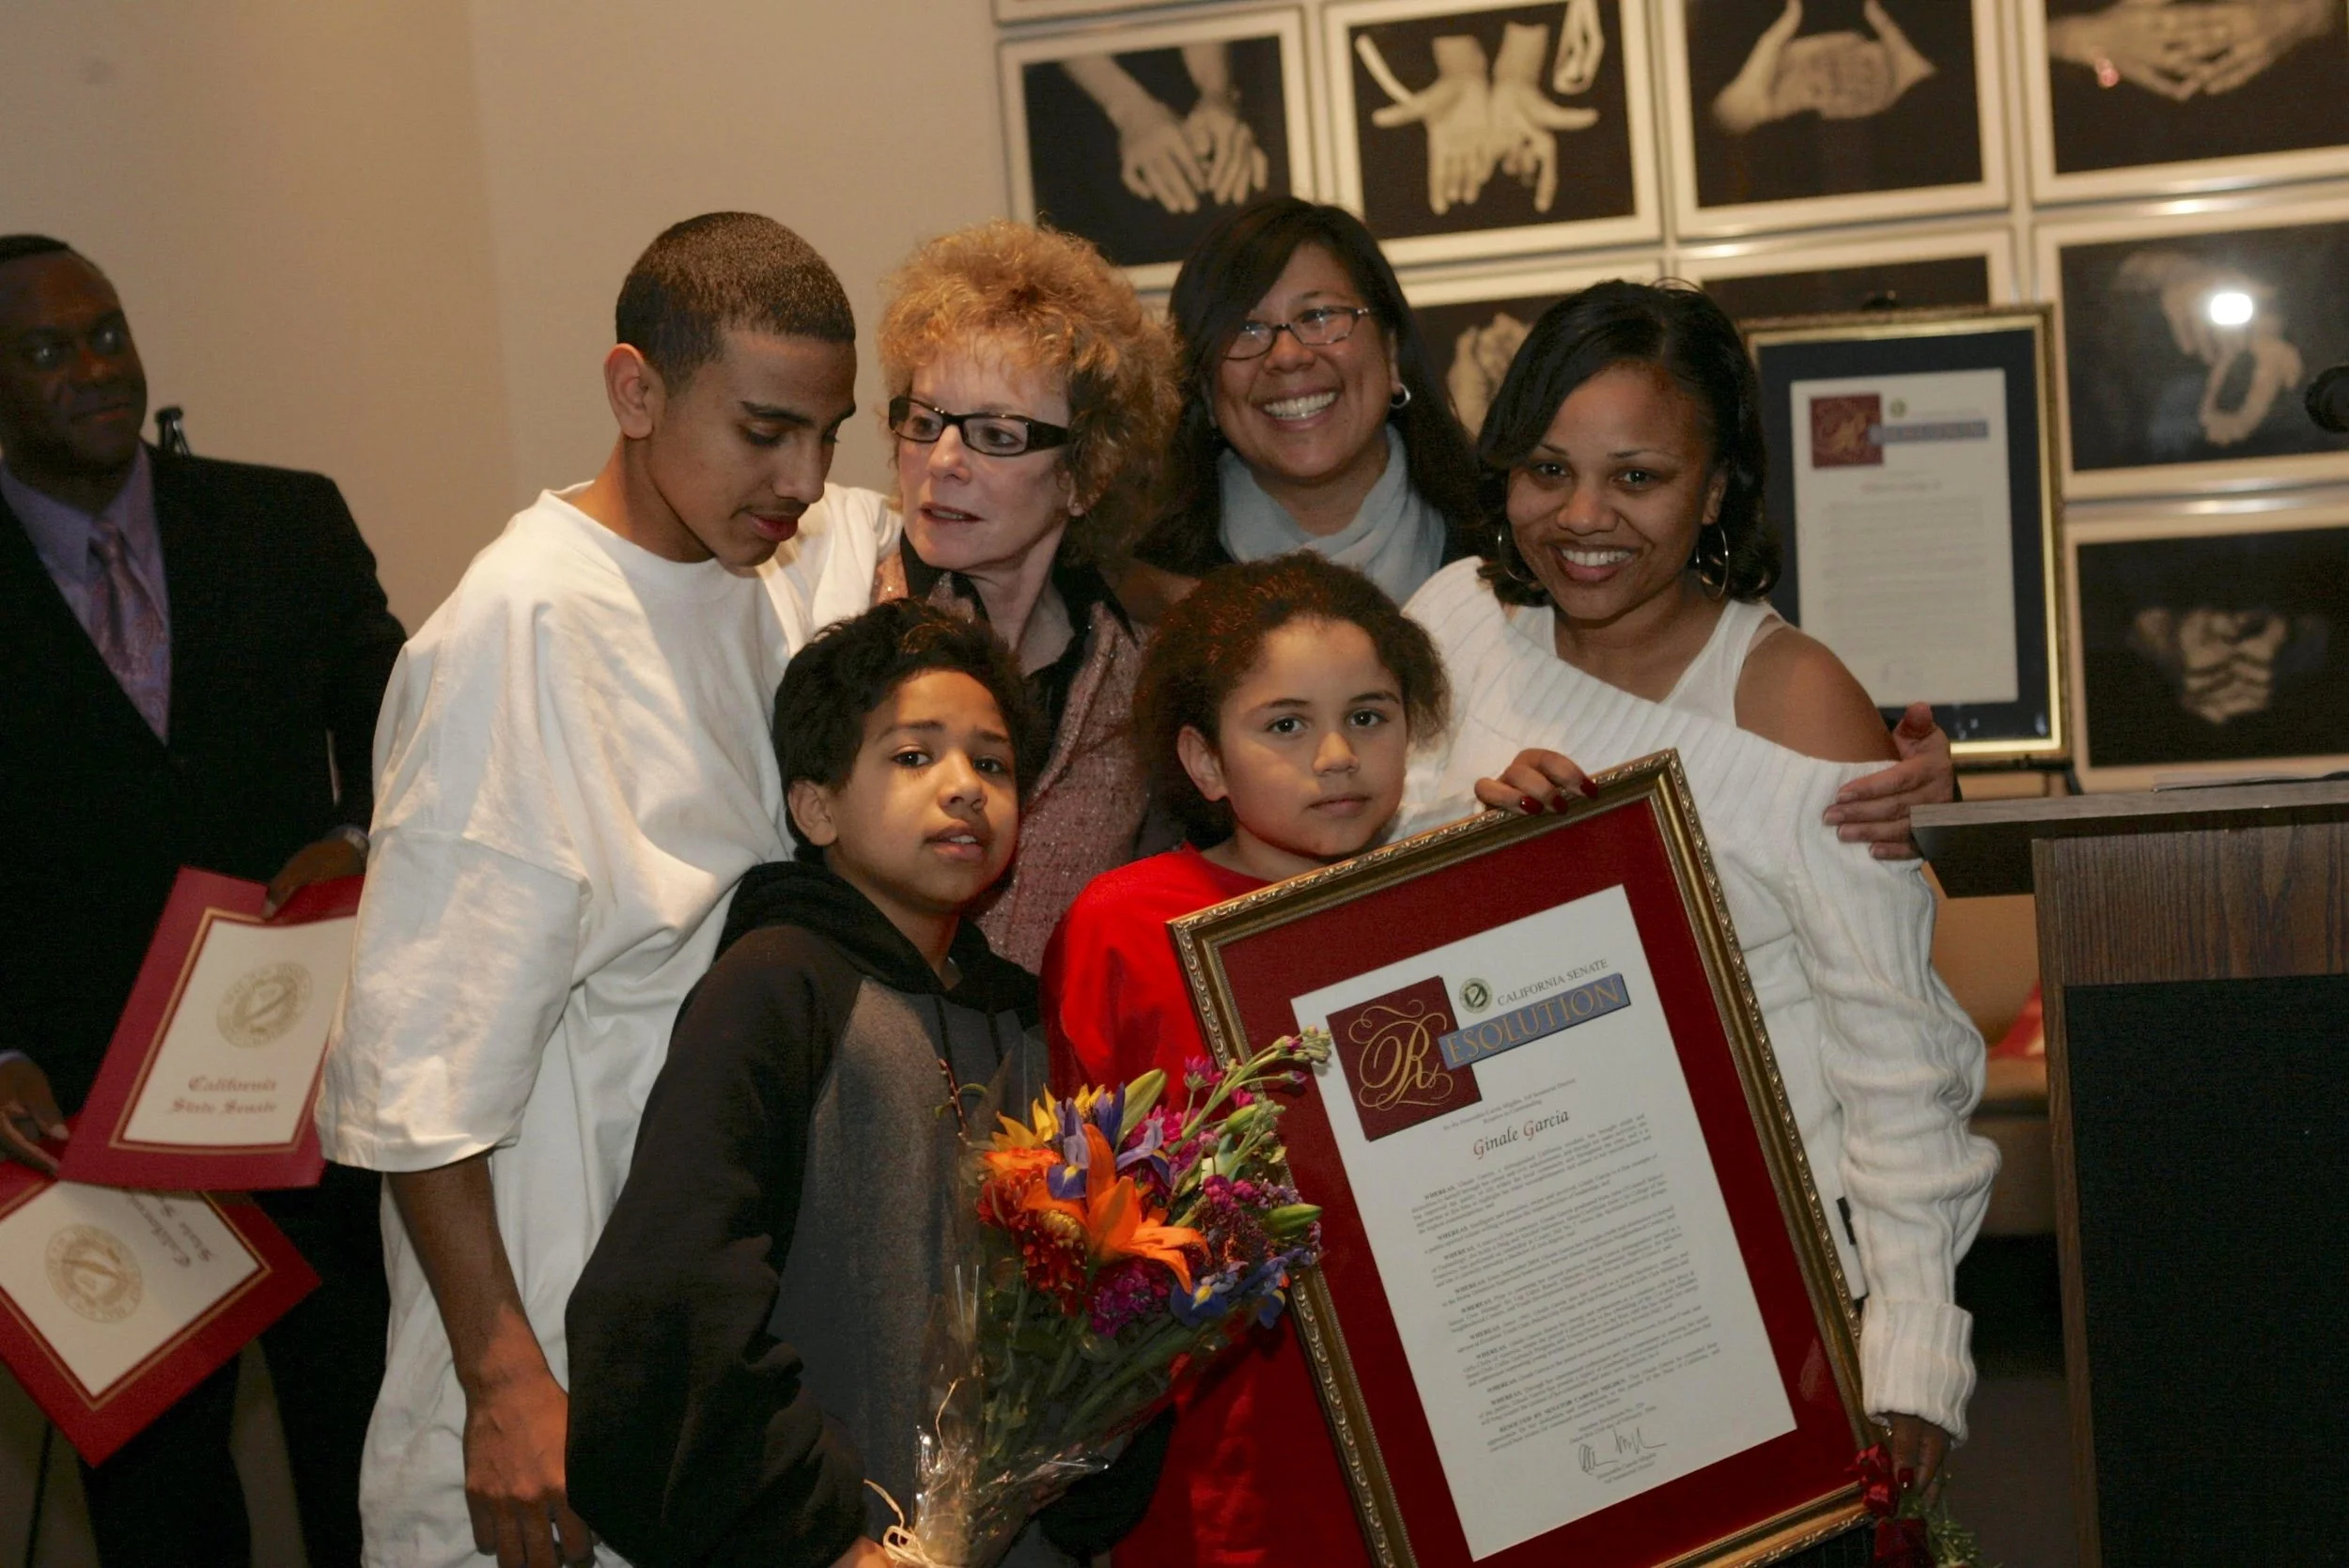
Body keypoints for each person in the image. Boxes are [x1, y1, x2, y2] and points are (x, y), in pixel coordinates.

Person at [1399, 281, 2000, 1548]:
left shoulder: (1792, 697)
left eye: (1639, 477)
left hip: (1761, 1327)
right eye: (1548, 469)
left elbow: (1898, 1070)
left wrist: (1911, 1360)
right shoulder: (1448, 627)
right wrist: (1457, 836)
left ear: (1719, 488)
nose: (1583, 518)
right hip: (1503, 1313)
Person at [316, 212, 869, 1568]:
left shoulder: (759, 583)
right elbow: (417, 1079)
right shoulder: (517, 633)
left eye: (828, 433)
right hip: (546, 1387)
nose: (801, 477)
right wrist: (505, 1388)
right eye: (763, 430)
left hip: (698, 1356)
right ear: (635, 391)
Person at [568, 598, 1146, 1567]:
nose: (964, 787)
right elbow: (667, 1302)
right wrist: (816, 1532)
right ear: (817, 805)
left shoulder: (1023, 1018)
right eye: (914, 756)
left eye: (993, 763)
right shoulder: (776, 985)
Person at [1134, 197, 1956, 858]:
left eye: (1320, 317)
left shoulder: (1486, 555)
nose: (1286, 355)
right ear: (1200, 383)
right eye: (1245, 329)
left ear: (1390, 351)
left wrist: (1924, 800)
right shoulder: (1150, 599)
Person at [0, 233, 405, 1565]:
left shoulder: (288, 520)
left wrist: (357, 831)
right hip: (96, 1135)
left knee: (371, 1461)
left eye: (107, 332)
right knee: (166, 1515)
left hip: (308, 1097)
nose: (96, 370)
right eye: (49, 351)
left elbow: (418, 735)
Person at [1045, 551, 1452, 1568]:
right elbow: (1090, 1226)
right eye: (1284, 724)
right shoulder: (1126, 922)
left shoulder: (1447, 897)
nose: (1335, 757)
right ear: (1205, 760)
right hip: (1231, 1447)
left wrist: (1555, 848)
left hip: (1445, 1401)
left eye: (1369, 715)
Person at [853, 219, 1181, 969]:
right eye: (925, 420)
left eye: (996, 437)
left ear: (1086, 475)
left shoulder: (1138, 672)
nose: (941, 461)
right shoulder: (845, 611)